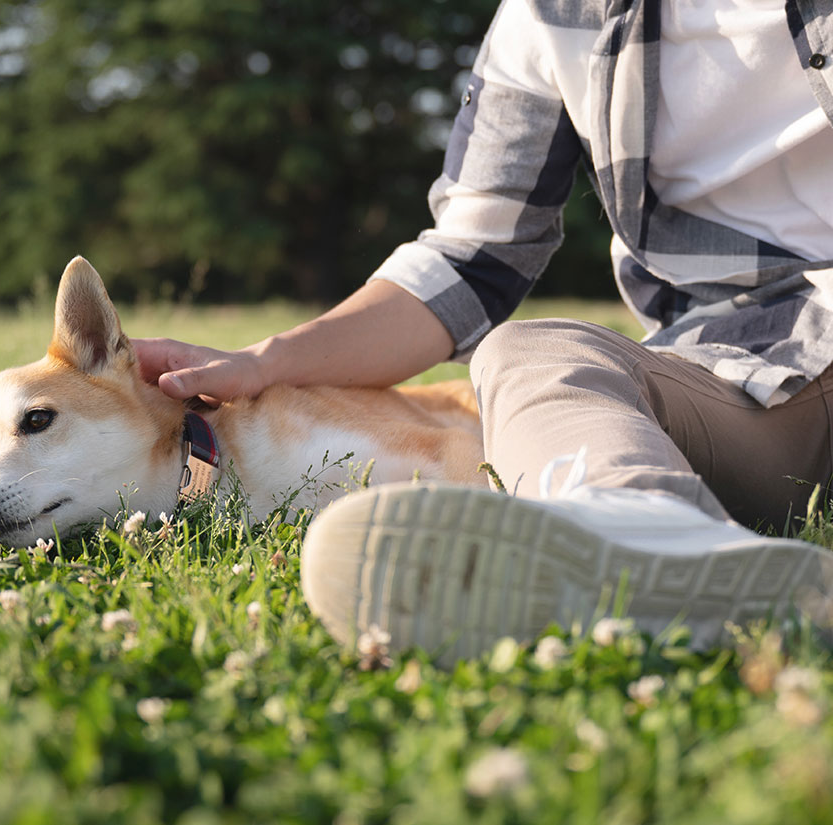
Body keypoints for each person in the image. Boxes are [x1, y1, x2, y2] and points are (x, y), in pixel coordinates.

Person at [133, 0, 833, 665]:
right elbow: (471, 259)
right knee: (529, 354)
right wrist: (262, 362)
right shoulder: (554, 16)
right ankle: (648, 538)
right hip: (755, 374)